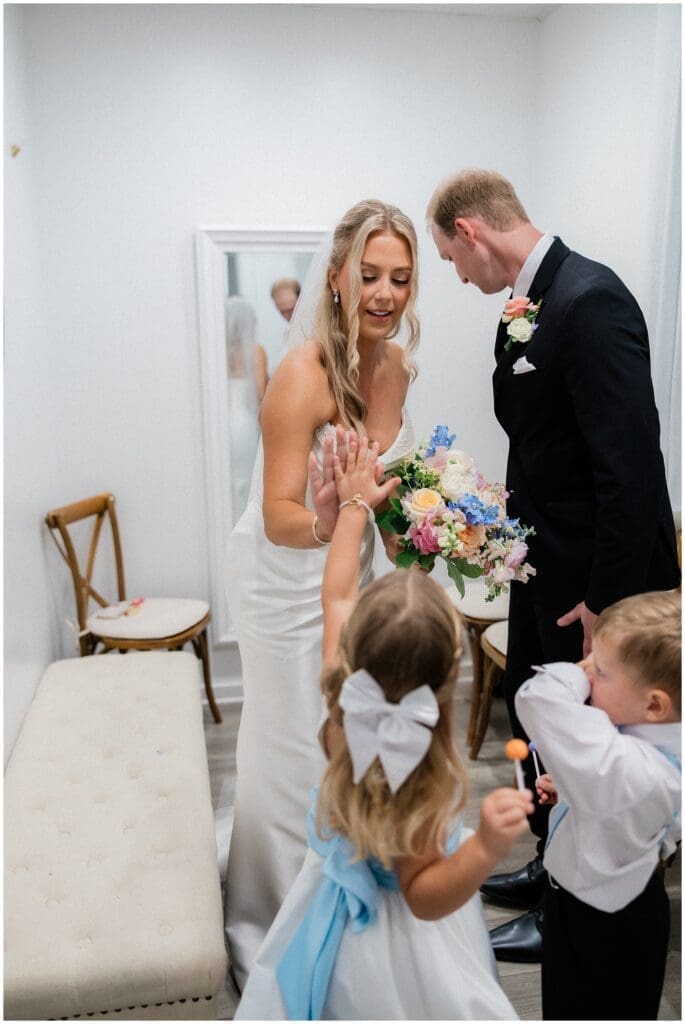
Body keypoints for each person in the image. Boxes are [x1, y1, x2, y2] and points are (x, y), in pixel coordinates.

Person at [426, 168, 680, 960]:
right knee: (537, 723)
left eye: (447, 258)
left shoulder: (589, 299)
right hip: (543, 560)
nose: (455, 276)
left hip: (597, 583)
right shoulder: (522, 307)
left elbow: (630, 467)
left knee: (593, 743)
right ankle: (547, 868)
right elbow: (544, 437)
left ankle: (581, 906)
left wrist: (608, 602)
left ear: (471, 231)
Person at [234, 435, 532, 1020]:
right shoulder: (418, 779)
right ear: (445, 685)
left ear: (353, 656)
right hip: (399, 951)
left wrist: (353, 505)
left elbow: (337, 594)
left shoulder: (342, 711)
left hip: (328, 911)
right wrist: (483, 850)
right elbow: (424, 899)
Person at [224, 200, 419, 988]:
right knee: (295, 736)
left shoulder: (397, 367)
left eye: (400, 278)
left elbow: (383, 485)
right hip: (284, 574)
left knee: (349, 728)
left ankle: (346, 889)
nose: (383, 292)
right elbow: (277, 515)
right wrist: (334, 520)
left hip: (352, 565)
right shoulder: (299, 375)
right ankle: (272, 907)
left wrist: (419, 528)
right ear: (335, 277)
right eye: (368, 274)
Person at [515, 590, 681, 1020]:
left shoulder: (635, 769)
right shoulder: (643, 750)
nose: (589, 676)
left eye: (601, 672)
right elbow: (615, 798)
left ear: (654, 704)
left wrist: (575, 672)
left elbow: (536, 698)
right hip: (592, 897)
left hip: (605, 924)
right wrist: (576, 790)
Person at [225, 296, 269, 519]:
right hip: (245, 423)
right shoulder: (256, 351)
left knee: (230, 479)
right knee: (247, 477)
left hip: (225, 423)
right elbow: (261, 392)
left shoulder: (218, 353)